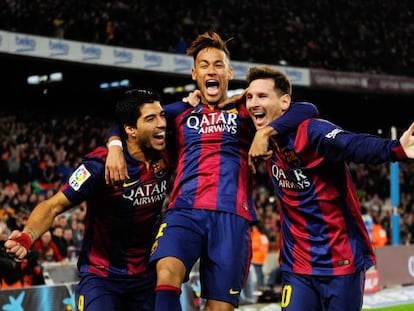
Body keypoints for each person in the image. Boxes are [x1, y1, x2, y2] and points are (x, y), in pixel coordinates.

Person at [105, 31, 319, 311]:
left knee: (220, 307)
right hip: (184, 211)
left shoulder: (246, 109)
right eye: (204, 65)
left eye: (218, 64)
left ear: (229, 72)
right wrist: (114, 147)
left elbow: (307, 109)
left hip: (232, 216)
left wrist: (265, 132)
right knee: (167, 273)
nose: (211, 70)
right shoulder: (180, 112)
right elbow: (128, 122)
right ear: (194, 73)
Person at [242, 65, 414, 311]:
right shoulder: (259, 133)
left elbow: (349, 143)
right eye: (249, 97)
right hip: (297, 265)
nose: (253, 103)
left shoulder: (311, 130)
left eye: (262, 96)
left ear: (285, 102)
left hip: (340, 261)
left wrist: (394, 149)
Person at [5, 89, 171, 311]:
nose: (161, 123)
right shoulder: (98, 166)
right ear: (130, 129)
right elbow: (53, 205)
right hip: (101, 277)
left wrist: (114, 142)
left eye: (162, 116)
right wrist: (27, 236)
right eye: (151, 119)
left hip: (146, 277)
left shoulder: (167, 152)